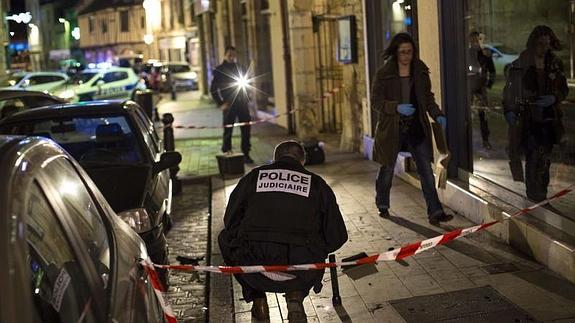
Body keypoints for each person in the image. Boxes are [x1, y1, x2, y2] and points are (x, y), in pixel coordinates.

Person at [218, 140, 348, 321]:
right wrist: (316, 247)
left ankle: (258, 299)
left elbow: (230, 221)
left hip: (254, 268)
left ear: (274, 159)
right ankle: (295, 295)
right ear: (303, 161)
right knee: (317, 243)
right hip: (302, 270)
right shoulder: (317, 184)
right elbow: (337, 236)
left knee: (225, 238)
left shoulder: (254, 177)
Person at [371, 32, 453, 225]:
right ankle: (382, 202)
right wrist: (395, 107)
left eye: (409, 52)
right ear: (395, 53)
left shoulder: (420, 71)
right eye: (402, 52)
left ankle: (435, 211)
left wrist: (438, 114)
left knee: (425, 169)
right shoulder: (384, 73)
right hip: (392, 128)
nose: (406, 56)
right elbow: (376, 101)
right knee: (387, 168)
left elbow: (428, 98)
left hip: (416, 126)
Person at [503, 25, 568, 202]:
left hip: (548, 119)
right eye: (540, 44)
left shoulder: (554, 63)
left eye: (547, 44)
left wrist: (554, 98)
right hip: (528, 118)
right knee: (532, 156)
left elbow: (563, 89)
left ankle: (542, 194)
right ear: (533, 43)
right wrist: (509, 111)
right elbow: (509, 92)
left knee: (545, 159)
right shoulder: (521, 63)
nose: (544, 48)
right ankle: (533, 196)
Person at [210, 45, 254, 164]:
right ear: (225, 55)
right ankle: (227, 152)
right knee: (228, 129)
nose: (231, 57)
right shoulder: (219, 69)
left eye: (233, 55)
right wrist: (221, 103)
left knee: (246, 129)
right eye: (229, 55)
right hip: (228, 104)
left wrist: (248, 98)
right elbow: (213, 89)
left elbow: (248, 83)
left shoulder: (240, 68)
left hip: (242, 103)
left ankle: (246, 153)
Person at [468, 31, 496, 150]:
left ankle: (485, 140)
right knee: (467, 116)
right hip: (468, 89)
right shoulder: (467, 54)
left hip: (480, 88)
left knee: (482, 115)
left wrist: (488, 83)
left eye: (477, 40)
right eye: (472, 40)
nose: (475, 43)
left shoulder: (484, 55)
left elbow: (492, 71)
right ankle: (466, 141)